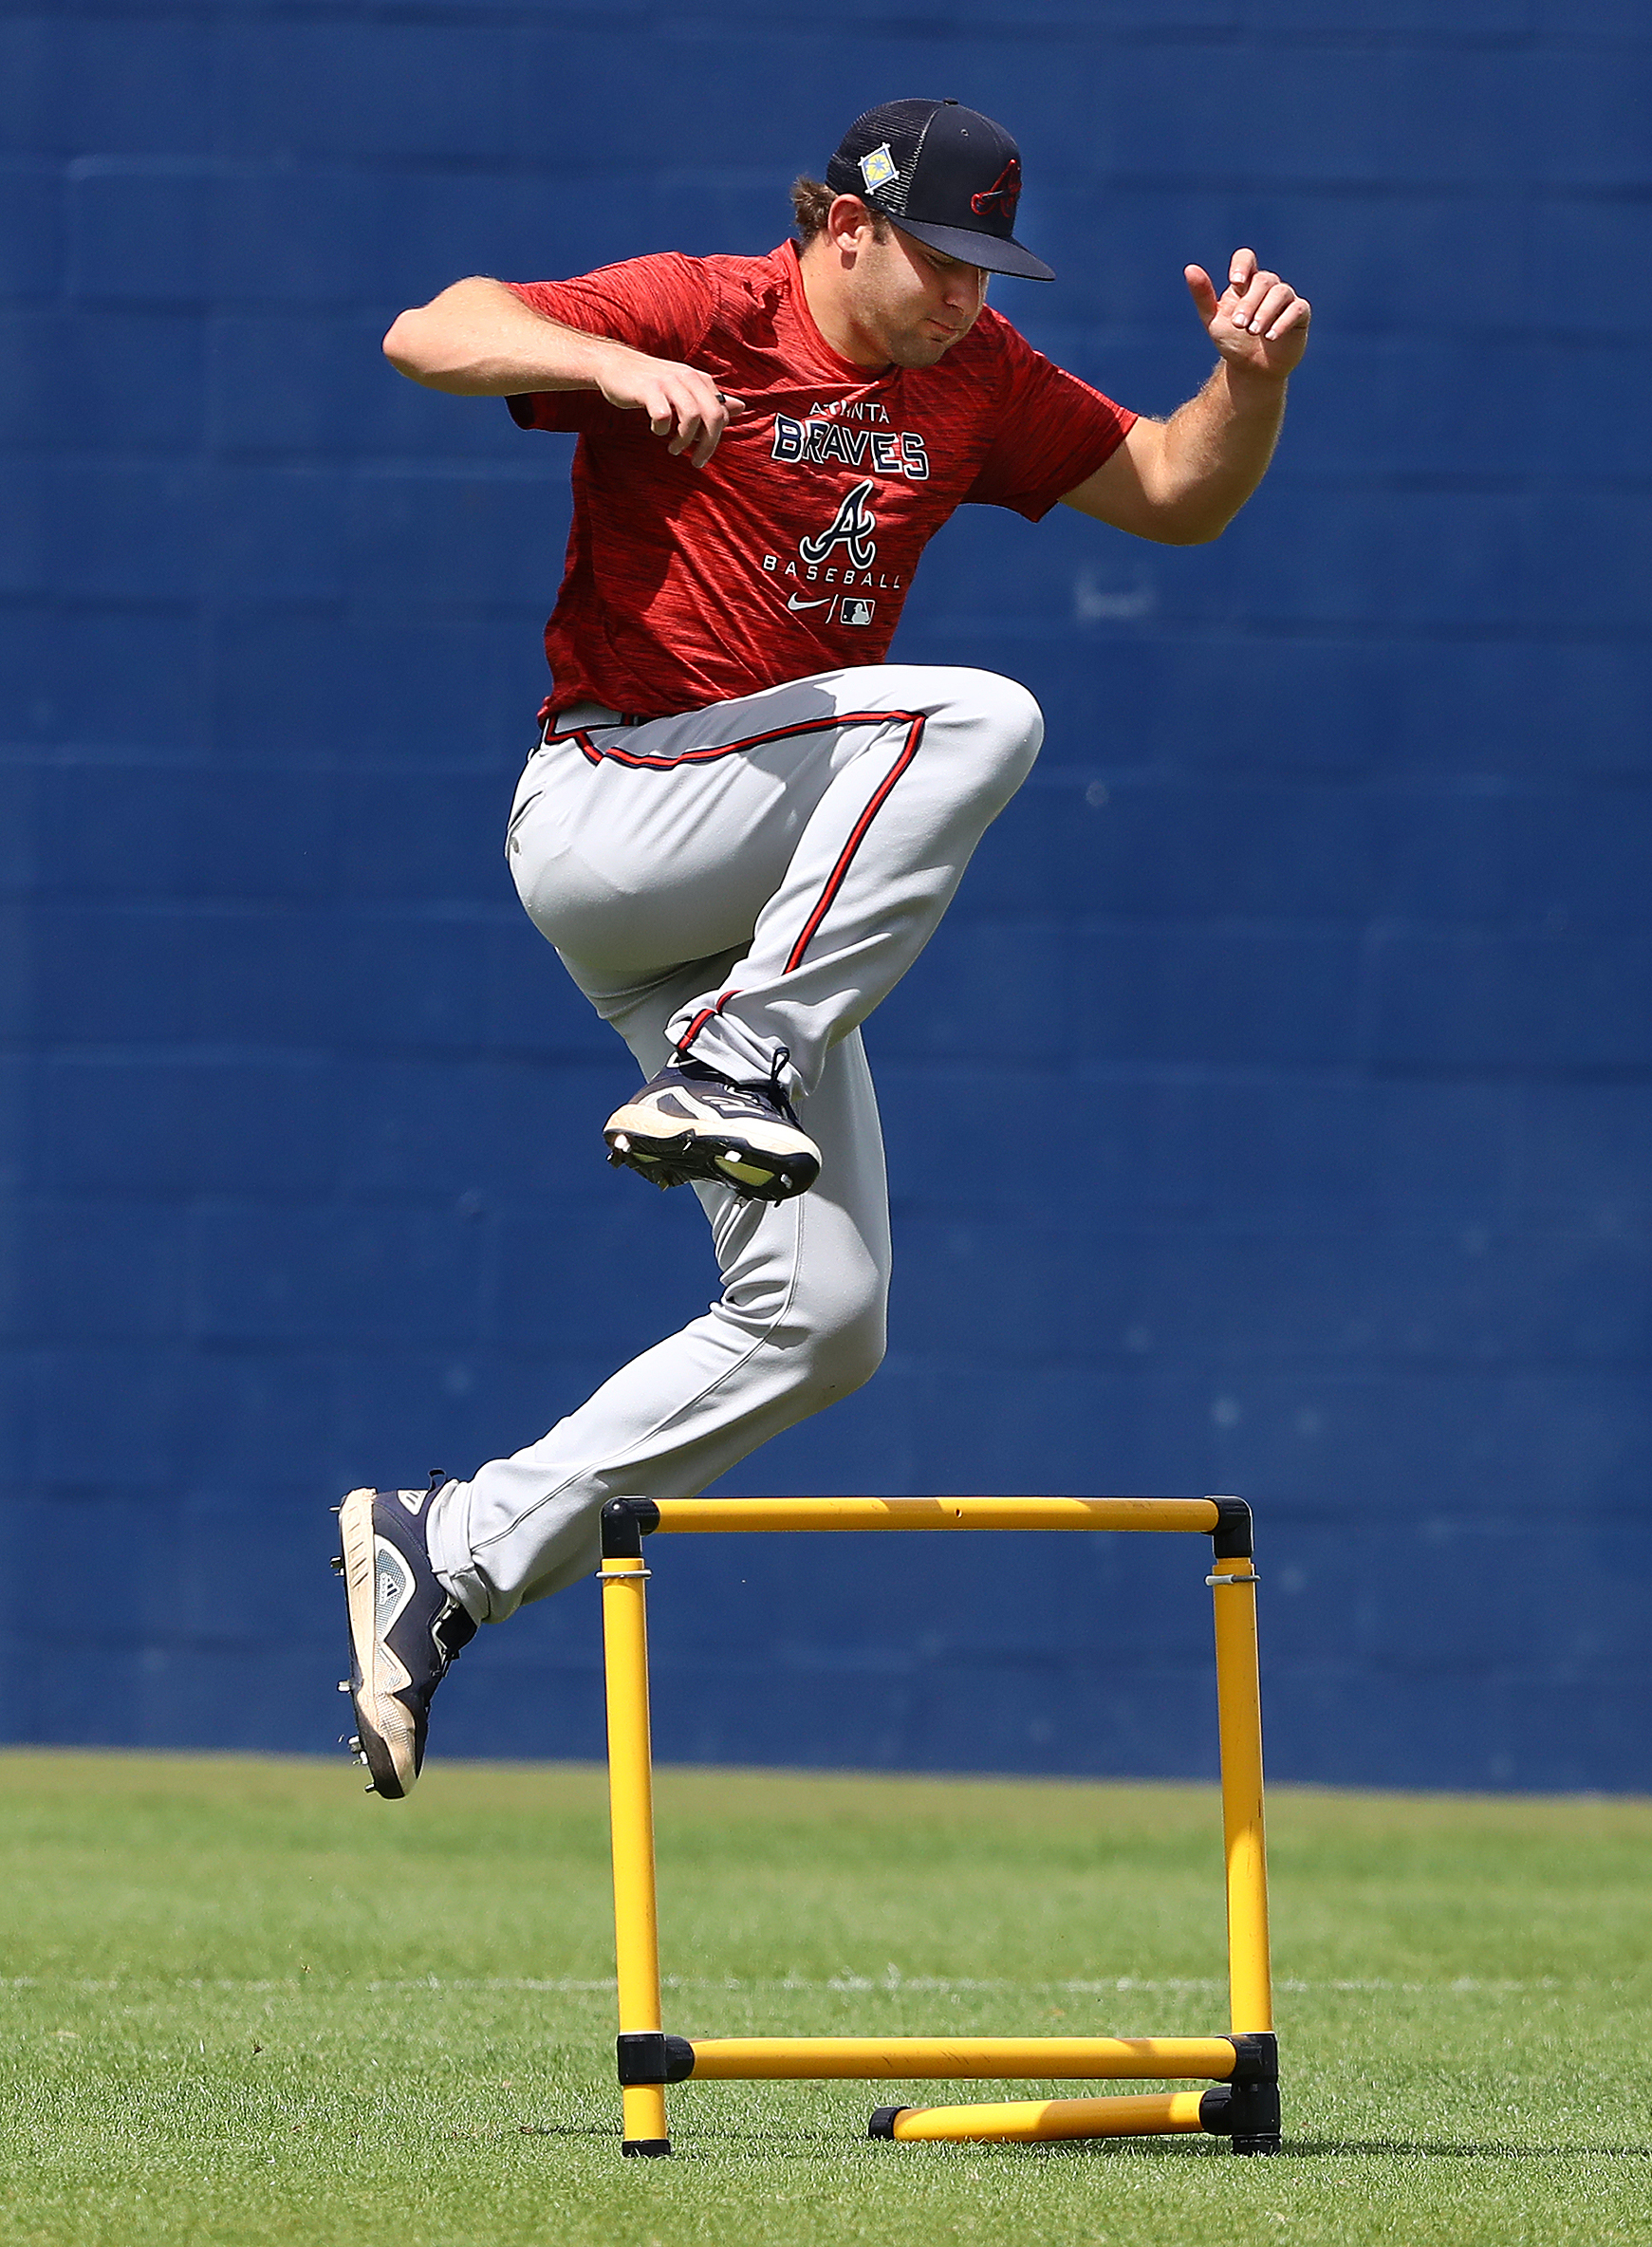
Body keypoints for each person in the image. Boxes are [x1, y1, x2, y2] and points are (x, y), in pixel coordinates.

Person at [337, 99, 1310, 1798]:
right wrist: (605, 366)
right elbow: (435, 328)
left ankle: (455, 1549)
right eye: (940, 261)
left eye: (987, 269)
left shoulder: (978, 377)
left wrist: (1252, 383)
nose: (962, 298)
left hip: (736, 899)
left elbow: (1171, 491)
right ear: (844, 224)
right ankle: (741, 1055)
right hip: (614, 802)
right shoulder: (715, 307)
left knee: (823, 1319)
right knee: (977, 712)